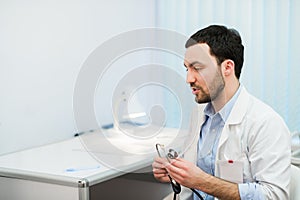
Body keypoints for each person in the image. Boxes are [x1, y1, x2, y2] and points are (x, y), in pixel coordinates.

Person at [152, 25, 291, 200]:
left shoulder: (265, 123)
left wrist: (201, 181)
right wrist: (176, 173)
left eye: (198, 68)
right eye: (187, 68)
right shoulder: (199, 113)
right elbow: (198, 176)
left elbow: (274, 196)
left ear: (227, 68)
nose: (189, 79)